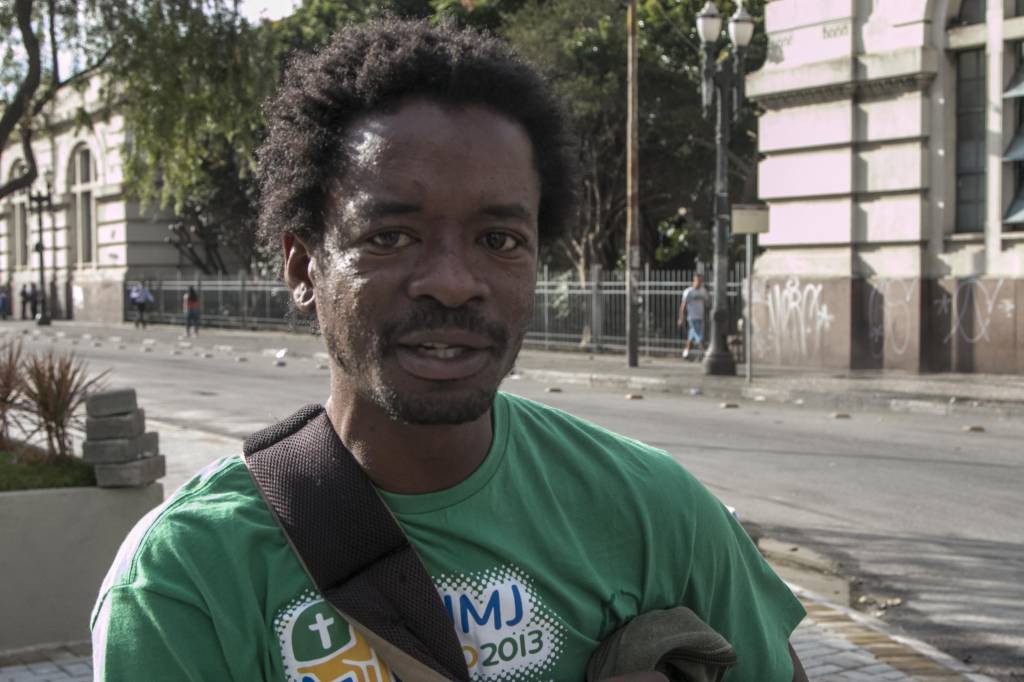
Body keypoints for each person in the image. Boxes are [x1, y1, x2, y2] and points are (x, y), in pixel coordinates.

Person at [92, 19, 806, 682]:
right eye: (390, 237)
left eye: (499, 241)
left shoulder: (658, 512)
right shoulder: (184, 579)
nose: (455, 283)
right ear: (303, 267)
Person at [677, 274, 709, 360]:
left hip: (700, 317)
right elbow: (683, 305)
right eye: (698, 281)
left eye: (701, 281)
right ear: (694, 281)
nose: (699, 283)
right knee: (699, 335)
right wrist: (681, 318)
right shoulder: (689, 291)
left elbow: (706, 303)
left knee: (691, 336)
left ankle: (685, 353)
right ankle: (705, 353)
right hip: (692, 317)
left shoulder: (703, 291)